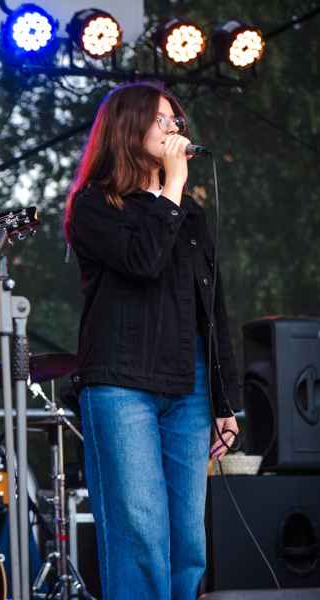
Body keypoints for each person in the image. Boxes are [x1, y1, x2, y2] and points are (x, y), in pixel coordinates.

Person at [63, 81, 240, 600]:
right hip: (121, 385)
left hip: (189, 383)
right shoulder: (93, 205)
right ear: (128, 128)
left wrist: (224, 400)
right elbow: (143, 260)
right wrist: (174, 183)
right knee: (139, 531)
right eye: (161, 120)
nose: (172, 129)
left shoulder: (190, 215)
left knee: (188, 540)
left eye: (175, 121)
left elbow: (212, 306)